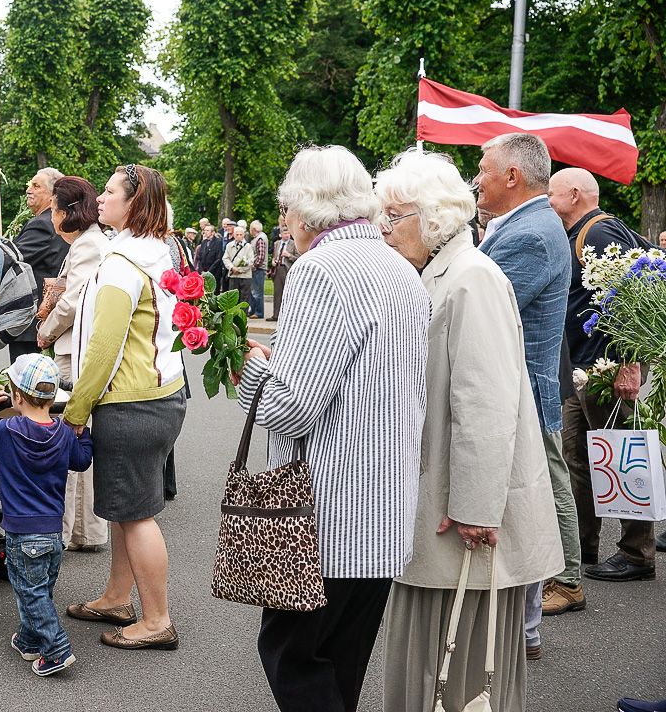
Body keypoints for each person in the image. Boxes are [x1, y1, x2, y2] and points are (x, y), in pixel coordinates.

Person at [235, 146, 429, 712]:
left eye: (286, 211)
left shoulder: (320, 270)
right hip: (385, 509)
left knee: (292, 654)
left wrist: (254, 369)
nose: (284, 224)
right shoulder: (400, 269)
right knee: (342, 662)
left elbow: (291, 409)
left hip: (328, 514)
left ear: (303, 209)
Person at [376, 148, 562, 712]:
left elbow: (487, 404)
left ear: (430, 218)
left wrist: (478, 507)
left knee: (454, 666)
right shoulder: (447, 272)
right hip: (442, 509)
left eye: (393, 217)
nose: (383, 231)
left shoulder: (470, 278)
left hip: (462, 520)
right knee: (436, 659)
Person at [62, 164, 187, 651]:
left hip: (131, 402)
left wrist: (76, 410)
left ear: (132, 205)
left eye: (110, 192)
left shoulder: (121, 262)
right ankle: (117, 597)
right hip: (159, 393)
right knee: (126, 506)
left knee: (136, 516)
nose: (100, 199)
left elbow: (105, 344)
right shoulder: (157, 250)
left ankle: (157, 620)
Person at [472, 133, 577, 660]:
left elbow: (481, 312)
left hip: (521, 396)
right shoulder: (525, 225)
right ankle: (523, 629)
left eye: (484, 167)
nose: (476, 177)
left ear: (512, 176)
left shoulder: (530, 234)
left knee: (518, 512)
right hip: (521, 392)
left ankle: (522, 632)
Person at [546, 167, 657, 581]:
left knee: (623, 457)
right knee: (579, 458)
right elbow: (653, 260)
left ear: (574, 194)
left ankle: (636, 554)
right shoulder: (601, 229)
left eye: (552, 195)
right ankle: (582, 548)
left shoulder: (596, 233)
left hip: (607, 367)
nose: (547, 202)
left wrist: (630, 363)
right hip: (585, 369)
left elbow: (635, 292)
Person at [0, 354, 93, 676]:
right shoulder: (64, 435)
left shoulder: (6, 431)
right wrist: (83, 434)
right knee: (39, 589)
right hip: (54, 534)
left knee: (30, 591)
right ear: (53, 398)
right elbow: (82, 461)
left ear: (15, 396)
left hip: (22, 533)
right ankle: (29, 641)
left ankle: (56, 650)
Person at [37, 177, 110, 551]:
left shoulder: (87, 246)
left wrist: (46, 330)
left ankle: (64, 532)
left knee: (68, 440)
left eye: (52, 209)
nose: (50, 217)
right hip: (75, 350)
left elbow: (72, 303)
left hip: (74, 354)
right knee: (77, 441)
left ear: (66, 212)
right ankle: (83, 531)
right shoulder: (88, 242)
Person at [10, 168, 69, 360]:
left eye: (36, 186)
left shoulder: (42, 224)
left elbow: (13, 261)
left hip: (31, 326)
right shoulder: (53, 223)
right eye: (30, 185)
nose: (29, 190)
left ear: (53, 195)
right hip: (43, 324)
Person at [269, 225, 297, 321]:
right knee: (277, 293)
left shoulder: (294, 244)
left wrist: (289, 255)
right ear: (280, 235)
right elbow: (274, 255)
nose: (287, 235)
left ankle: (287, 316)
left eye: (288, 233)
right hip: (278, 269)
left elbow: (298, 257)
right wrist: (273, 261)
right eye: (285, 233)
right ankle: (276, 315)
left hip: (287, 269)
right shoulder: (277, 243)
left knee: (288, 293)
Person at [223, 225, 253, 308]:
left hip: (245, 276)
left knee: (244, 297)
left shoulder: (248, 246)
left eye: (241, 234)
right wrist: (232, 268)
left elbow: (250, 261)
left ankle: (243, 316)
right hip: (233, 275)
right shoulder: (229, 245)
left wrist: (240, 269)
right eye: (237, 234)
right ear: (234, 235)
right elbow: (225, 258)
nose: (239, 236)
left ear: (244, 235)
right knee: (233, 298)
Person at [248, 220, 269, 318]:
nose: (249, 230)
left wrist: (254, 266)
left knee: (257, 292)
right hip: (257, 268)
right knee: (253, 292)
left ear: (254, 229)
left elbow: (261, 255)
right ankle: (253, 310)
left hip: (258, 269)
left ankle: (258, 312)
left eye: (250, 228)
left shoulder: (260, 238)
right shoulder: (258, 238)